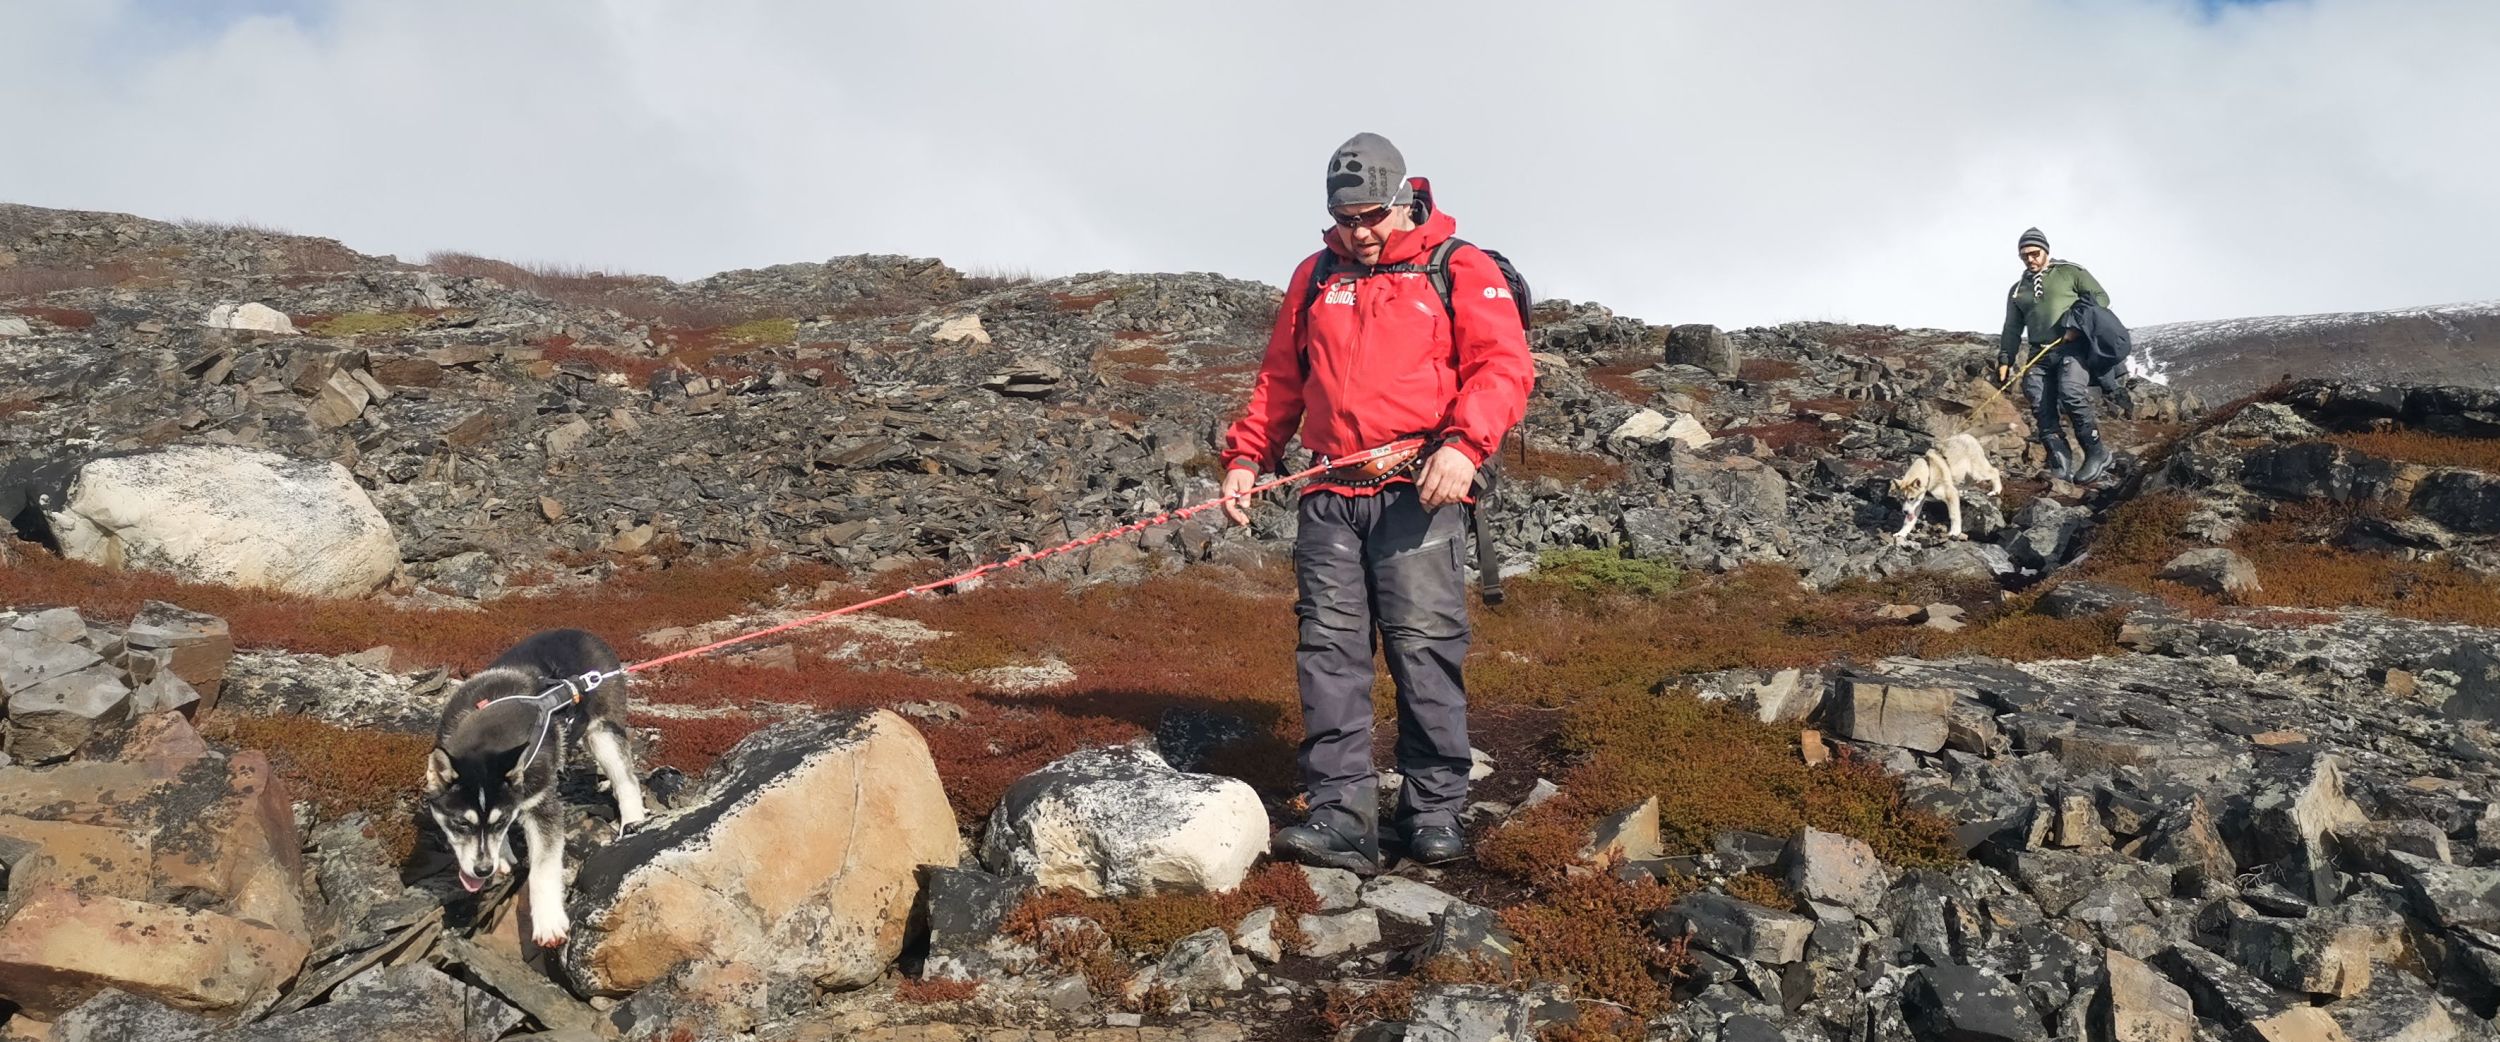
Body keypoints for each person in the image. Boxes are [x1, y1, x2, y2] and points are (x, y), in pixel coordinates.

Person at [1217, 132, 1534, 874]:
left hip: (1418, 490)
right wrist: (1245, 456)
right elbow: (1280, 381)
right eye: (1343, 219)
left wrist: (1463, 447)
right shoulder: (1316, 275)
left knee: (1424, 651)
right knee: (1328, 656)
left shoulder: (1459, 267)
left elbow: (1503, 367)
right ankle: (1340, 818)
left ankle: (1433, 812)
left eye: (1369, 216)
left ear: (1402, 201)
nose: (1357, 233)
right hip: (1329, 493)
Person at [1998, 228, 2114, 483]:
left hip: (2073, 347)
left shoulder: (2070, 272)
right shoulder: (2018, 290)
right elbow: (2012, 328)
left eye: (2034, 253)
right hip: (2039, 352)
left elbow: (2101, 298)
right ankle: (2060, 461)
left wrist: (2076, 324)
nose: (2030, 259)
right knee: (2039, 401)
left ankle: (2097, 452)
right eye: (2024, 255)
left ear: (2046, 250)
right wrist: (2005, 359)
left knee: (2071, 392)